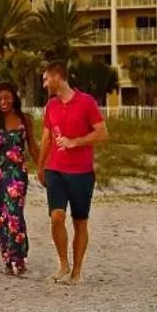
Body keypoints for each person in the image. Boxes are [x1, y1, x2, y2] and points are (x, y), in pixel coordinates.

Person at [36, 59, 108, 284]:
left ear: (58, 77)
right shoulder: (51, 106)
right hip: (55, 169)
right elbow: (46, 138)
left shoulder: (86, 102)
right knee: (56, 217)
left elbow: (102, 133)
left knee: (80, 222)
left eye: (46, 79)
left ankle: (76, 271)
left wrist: (75, 142)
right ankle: (63, 264)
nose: (44, 84)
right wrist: (40, 166)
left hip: (81, 173)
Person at [0, 80, 34, 277]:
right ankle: (8, 260)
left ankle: (19, 258)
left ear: (14, 98)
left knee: (15, 214)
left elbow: (33, 147)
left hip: (17, 174)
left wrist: (44, 169)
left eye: (7, 98)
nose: (3, 102)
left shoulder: (24, 119)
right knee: (1, 218)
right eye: (0, 99)